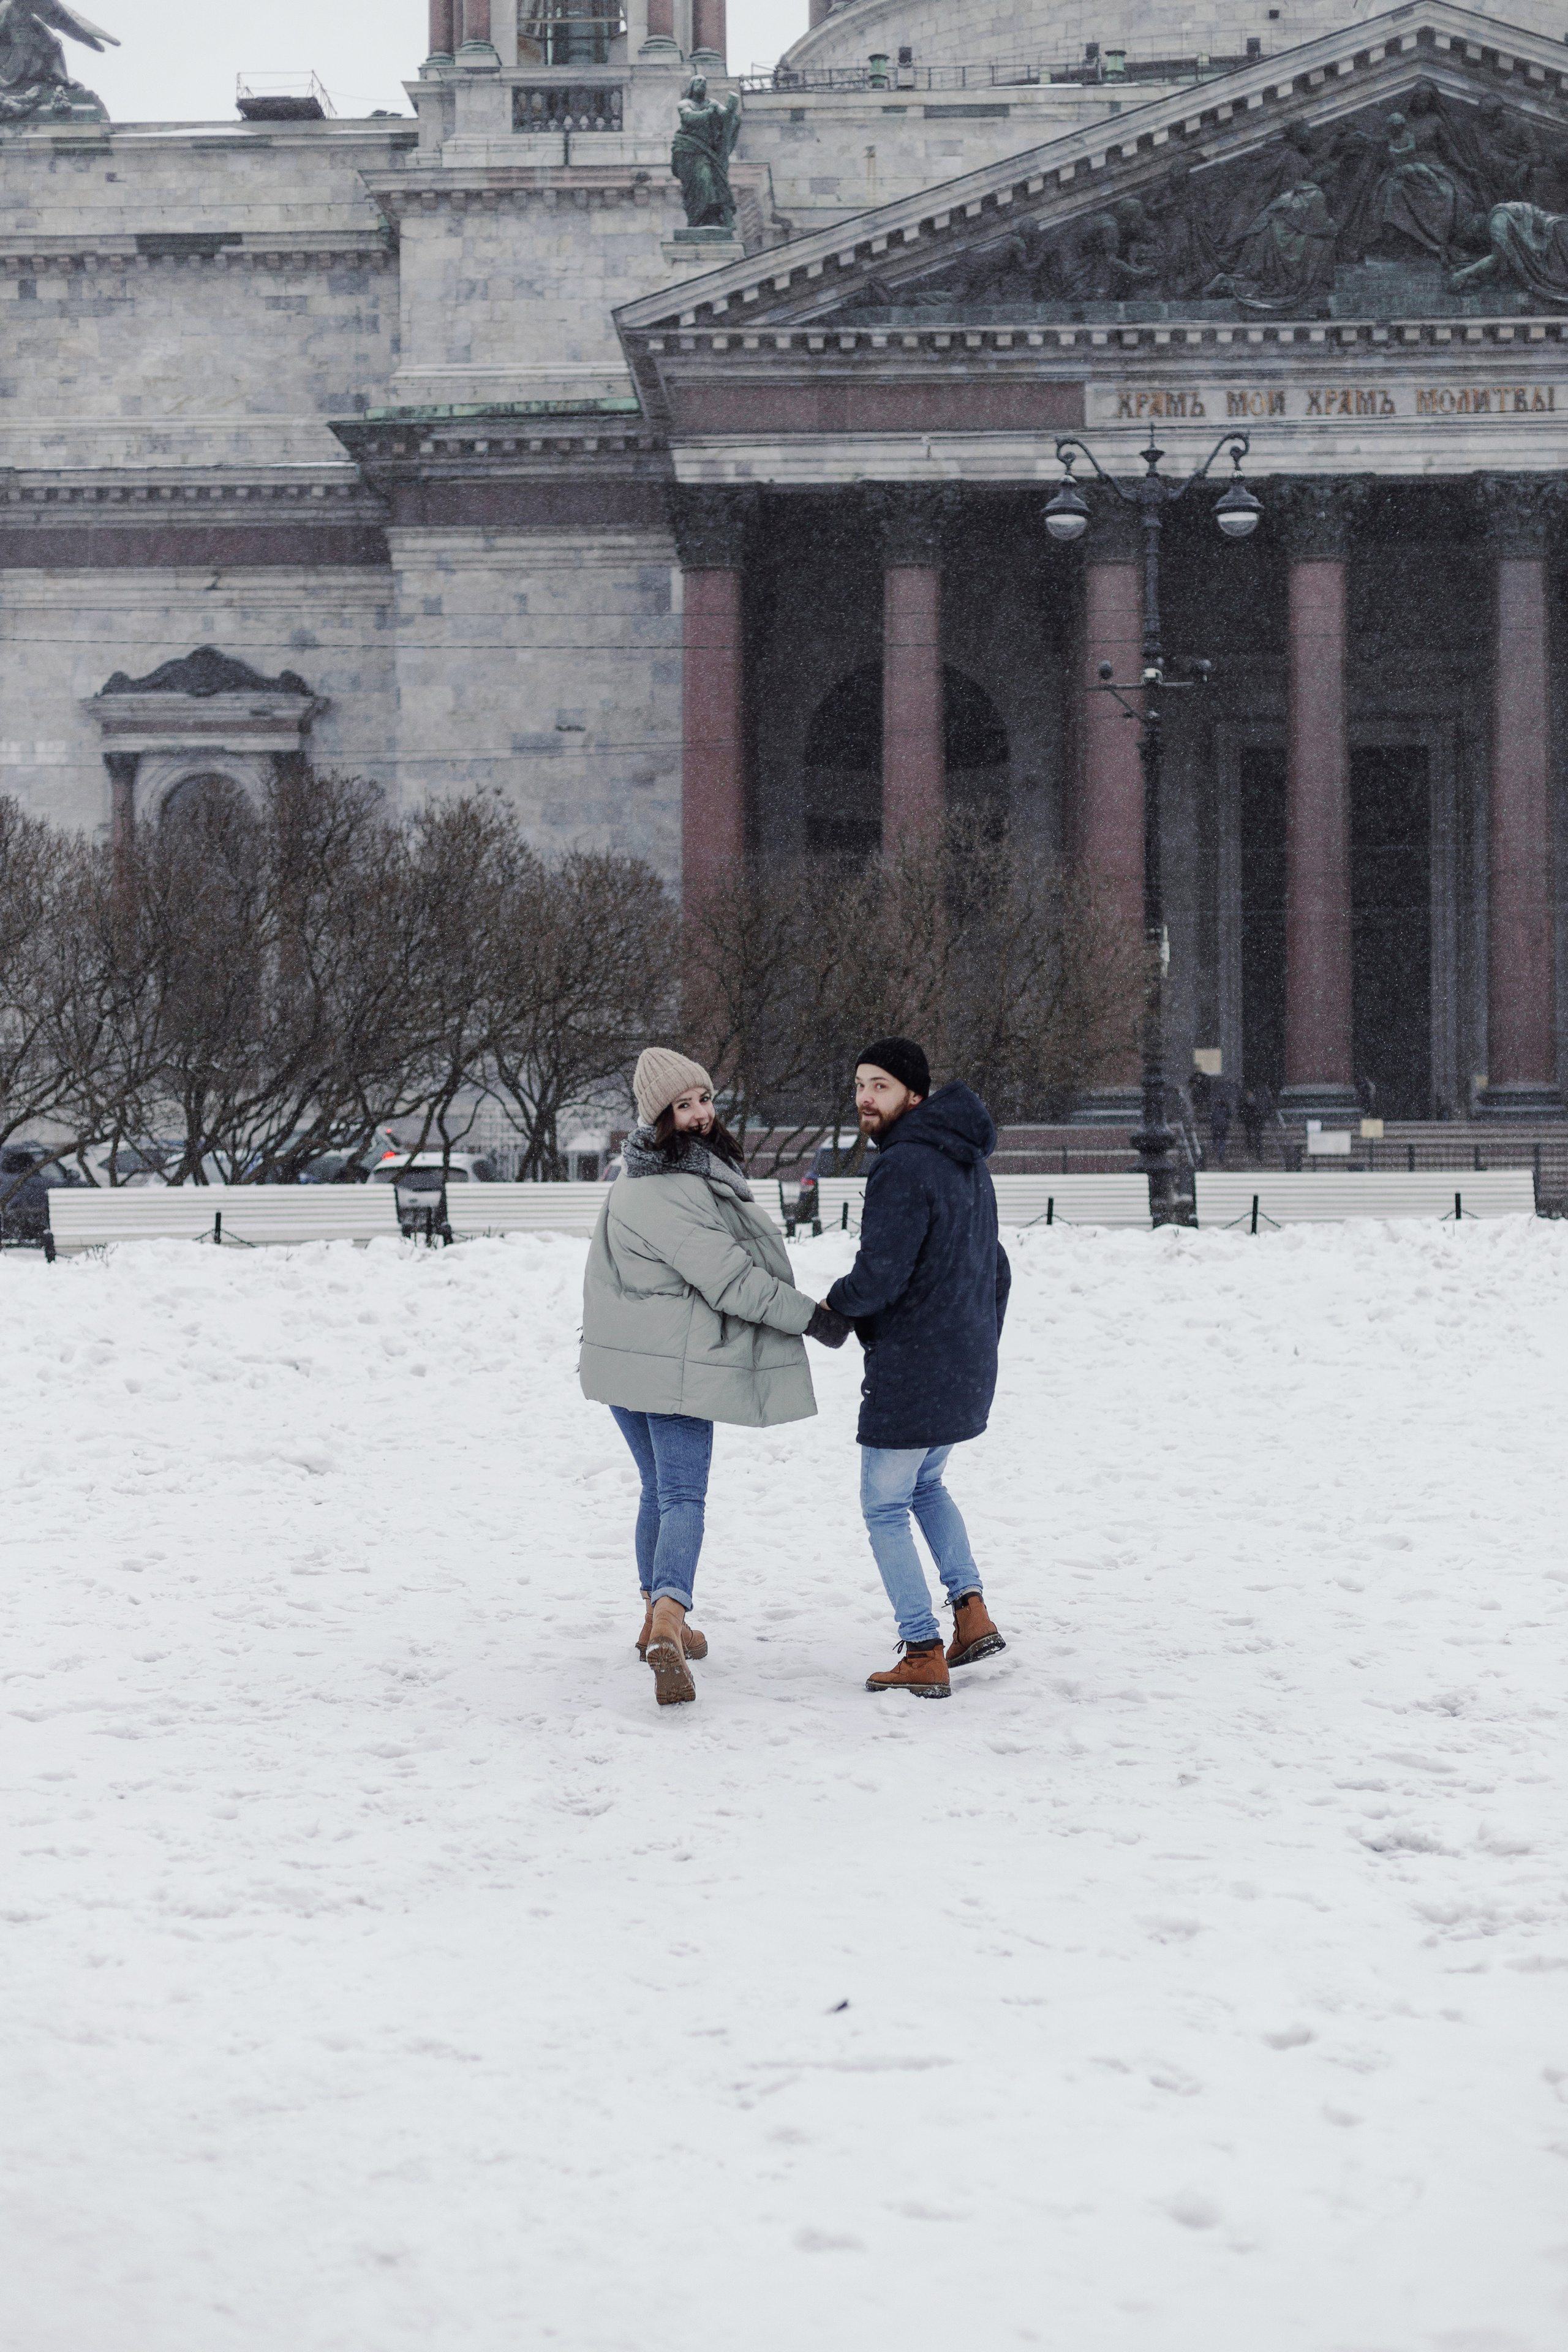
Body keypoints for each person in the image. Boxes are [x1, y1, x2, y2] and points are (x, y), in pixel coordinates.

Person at [580, 1047, 849, 1709]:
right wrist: (809, 1317)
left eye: (703, 1098)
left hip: (625, 1362)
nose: (700, 1114)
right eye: (684, 1105)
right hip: (672, 1367)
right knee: (682, 1497)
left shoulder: (635, 1178)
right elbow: (729, 1280)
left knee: (655, 1490)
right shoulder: (672, 1188)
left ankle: (653, 1618)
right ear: (660, 1117)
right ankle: (670, 1616)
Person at [823, 1039, 1011, 1700]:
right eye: (859, 1085)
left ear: (915, 1097)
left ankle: (923, 1646)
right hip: (963, 1362)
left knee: (883, 1507)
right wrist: (978, 1337)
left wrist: (832, 1309)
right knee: (925, 1486)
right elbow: (997, 1267)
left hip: (915, 1366)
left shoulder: (903, 1166)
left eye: (880, 1085)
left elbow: (879, 1276)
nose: (865, 1098)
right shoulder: (964, 1160)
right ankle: (971, 1612)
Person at [1208, 1089, 1231, 1169]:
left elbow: (1211, 1116)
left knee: (1216, 1138)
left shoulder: (1215, 1108)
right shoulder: (1226, 1108)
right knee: (1222, 1140)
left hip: (1216, 1126)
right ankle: (1220, 1154)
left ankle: (1214, 1148)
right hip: (1223, 1126)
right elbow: (1230, 1115)